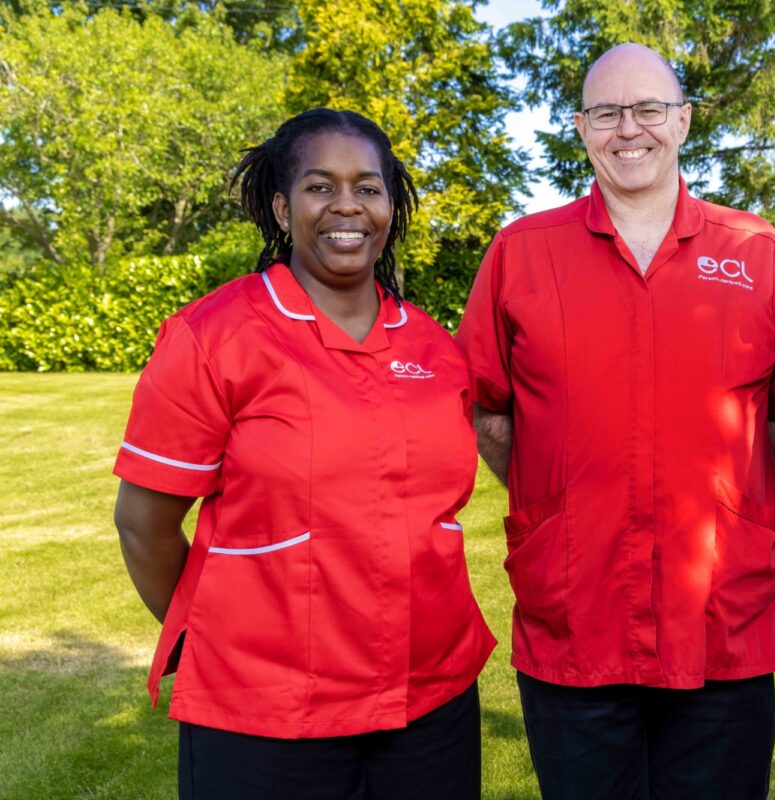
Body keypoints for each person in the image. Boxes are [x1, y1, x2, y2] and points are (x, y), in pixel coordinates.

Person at [456, 43, 775, 799]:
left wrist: (728, 491)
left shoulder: (758, 253)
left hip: (723, 615)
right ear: (581, 128)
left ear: (682, 120)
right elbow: (486, 406)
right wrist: (557, 493)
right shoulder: (522, 253)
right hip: (574, 611)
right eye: (607, 112)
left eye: (649, 109)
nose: (630, 129)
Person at [112, 108, 495, 800]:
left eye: (368, 188)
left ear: (389, 208)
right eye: (320, 187)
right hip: (266, 716)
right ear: (283, 209)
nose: (346, 204)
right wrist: (224, 646)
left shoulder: (437, 353)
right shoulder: (213, 338)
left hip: (430, 702)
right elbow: (144, 524)